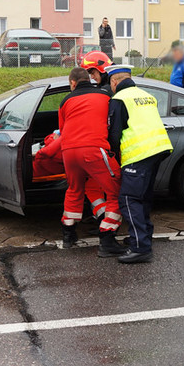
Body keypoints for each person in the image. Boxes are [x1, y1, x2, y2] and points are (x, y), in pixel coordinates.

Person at [108, 65, 173, 263]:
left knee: (128, 199)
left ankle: (141, 248)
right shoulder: (146, 95)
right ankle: (143, 237)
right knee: (142, 198)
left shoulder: (119, 99)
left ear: (114, 82)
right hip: (158, 150)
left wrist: (111, 152)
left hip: (139, 154)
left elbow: (114, 133)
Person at [59, 68, 124, 257]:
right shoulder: (104, 95)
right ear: (88, 79)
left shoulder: (65, 101)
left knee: (74, 190)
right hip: (95, 150)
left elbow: (62, 130)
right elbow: (113, 122)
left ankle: (68, 235)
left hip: (69, 152)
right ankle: (107, 238)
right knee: (117, 191)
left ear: (72, 83)